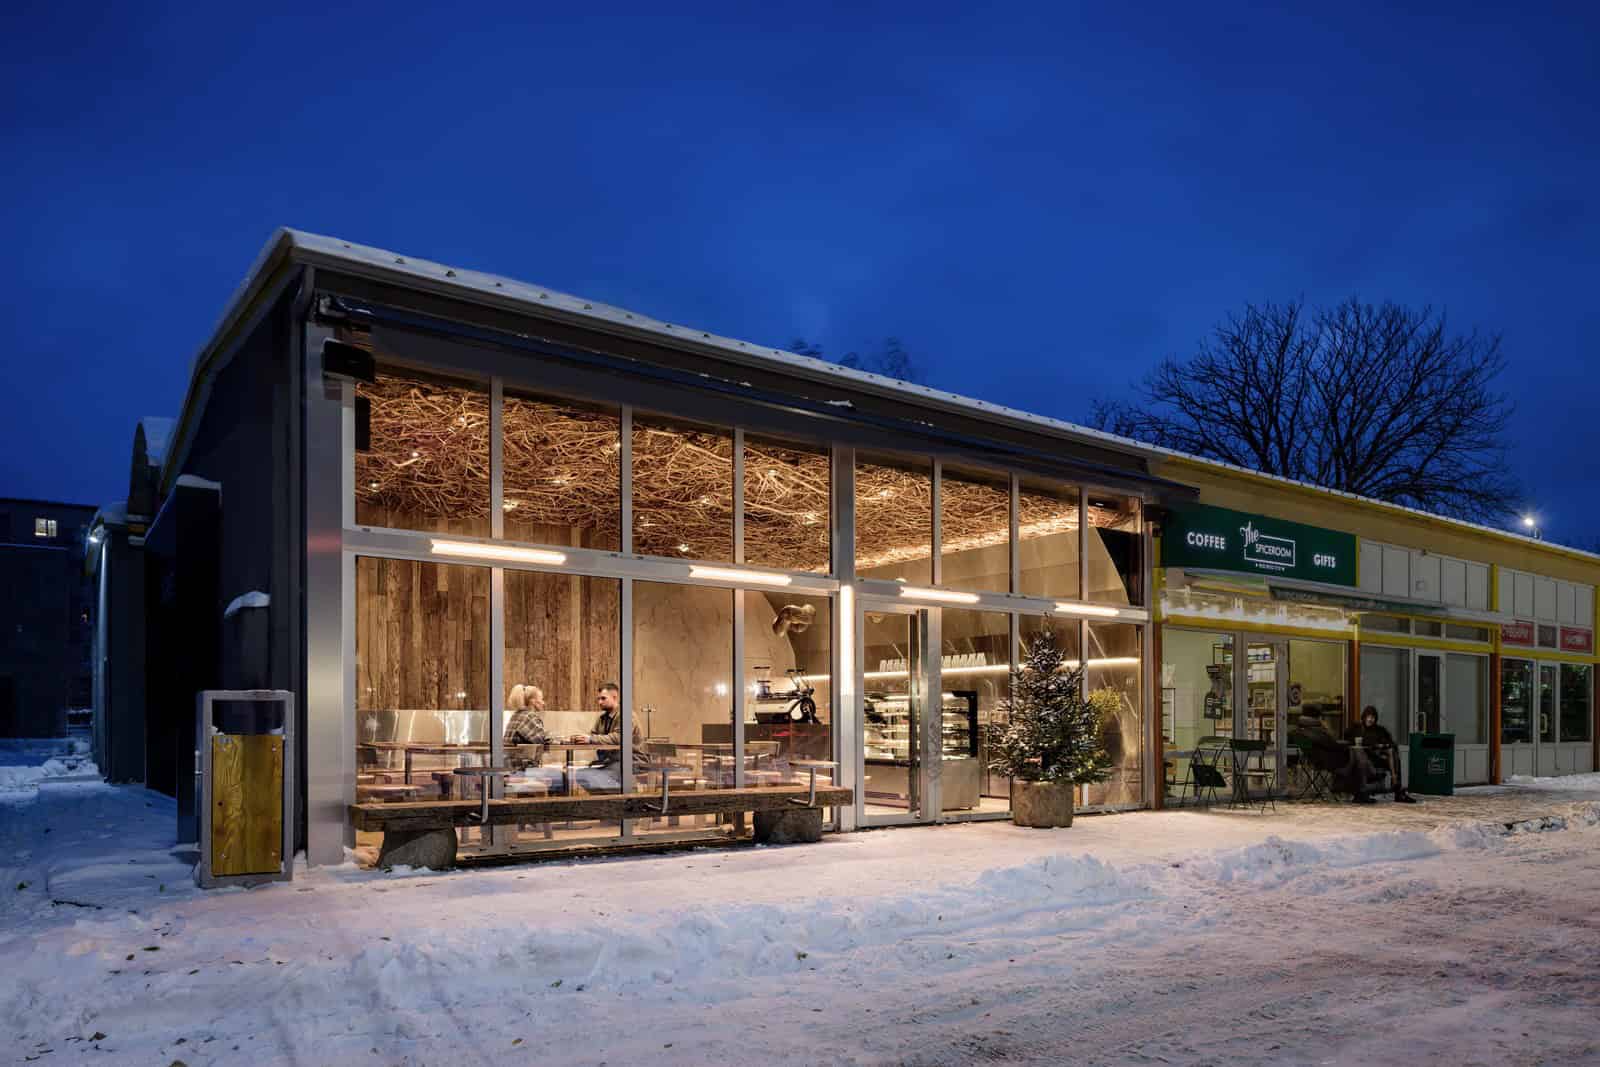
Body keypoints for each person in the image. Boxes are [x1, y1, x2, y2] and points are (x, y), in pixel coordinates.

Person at [1293, 709, 1386, 804]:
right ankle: (1368, 781)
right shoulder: (1317, 731)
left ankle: (1364, 786)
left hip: (1317, 760)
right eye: (1321, 717)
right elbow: (1332, 744)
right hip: (1329, 762)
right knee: (1356, 752)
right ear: (1318, 717)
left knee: (1356, 753)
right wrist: (1344, 743)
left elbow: (1317, 748)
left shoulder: (1299, 732)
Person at [569, 682, 646, 791]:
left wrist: (591, 739)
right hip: (611, 761)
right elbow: (593, 735)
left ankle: (626, 798)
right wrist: (580, 738)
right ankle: (615, 799)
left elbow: (619, 737)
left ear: (614, 697)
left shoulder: (627, 714)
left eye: (603, 698)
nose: (599, 702)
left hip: (632, 761)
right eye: (598, 699)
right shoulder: (602, 718)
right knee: (581, 774)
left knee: (592, 775)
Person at [1346, 705, 1417, 803]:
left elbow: (1391, 743)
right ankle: (1397, 788)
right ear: (1364, 717)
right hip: (1364, 758)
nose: (1370, 720)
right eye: (1368, 717)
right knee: (1392, 755)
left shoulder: (1379, 730)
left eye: (1373, 717)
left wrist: (1382, 745)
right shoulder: (1356, 728)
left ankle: (1397, 787)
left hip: (1378, 758)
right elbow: (1349, 741)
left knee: (1392, 752)